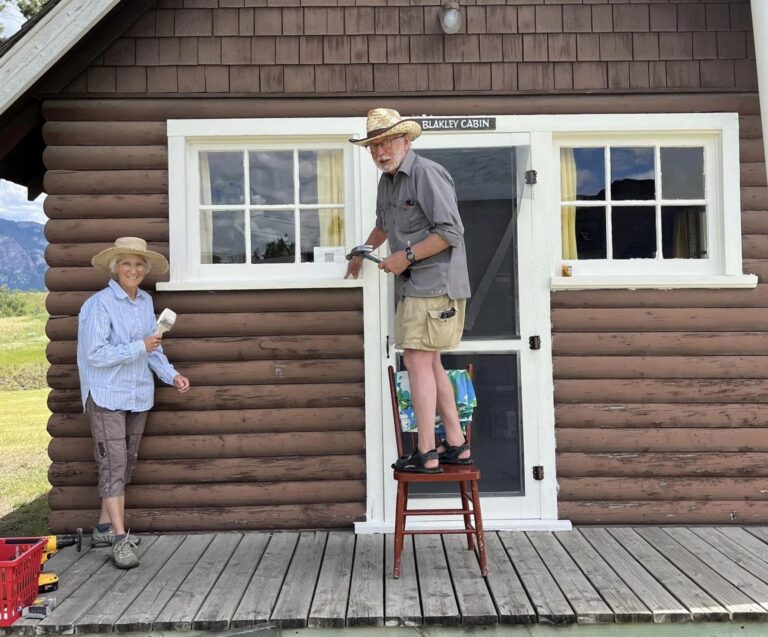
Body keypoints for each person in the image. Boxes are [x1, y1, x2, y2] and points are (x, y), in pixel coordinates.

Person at [346, 108, 471, 473]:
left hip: (435, 284)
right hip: (416, 285)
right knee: (430, 362)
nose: (380, 152)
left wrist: (406, 256)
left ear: (406, 140)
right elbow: (384, 224)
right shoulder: (389, 181)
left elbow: (451, 233)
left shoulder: (426, 173)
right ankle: (457, 445)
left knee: (417, 362)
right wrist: (362, 252)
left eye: (386, 142)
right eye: (373, 146)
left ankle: (427, 453)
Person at [77, 237, 190, 569]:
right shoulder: (98, 305)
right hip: (106, 394)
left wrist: (171, 375)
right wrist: (139, 346)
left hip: (137, 393)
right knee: (113, 465)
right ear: (115, 268)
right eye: (126, 263)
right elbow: (95, 356)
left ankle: (103, 529)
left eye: (139, 264)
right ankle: (120, 538)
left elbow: (152, 347)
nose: (134, 269)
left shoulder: (144, 302)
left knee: (123, 463)